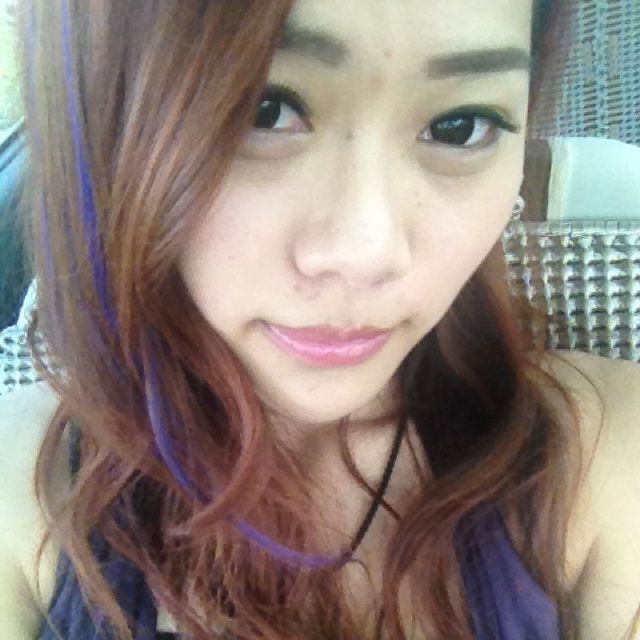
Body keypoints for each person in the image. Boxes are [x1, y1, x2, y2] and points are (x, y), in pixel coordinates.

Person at [0, 0, 639, 639]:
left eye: (459, 127)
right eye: (263, 110)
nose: (368, 254)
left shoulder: (603, 453)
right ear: (103, 125)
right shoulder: (24, 485)